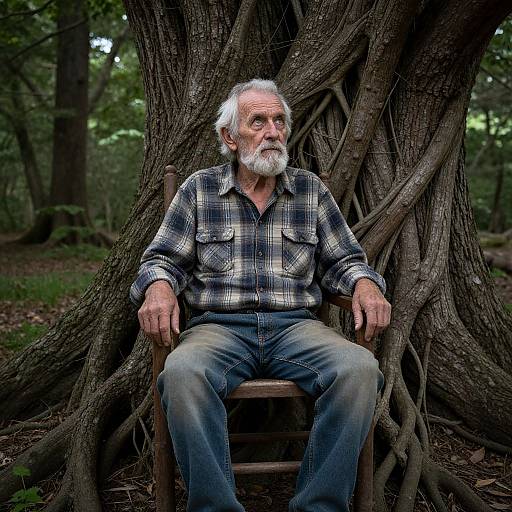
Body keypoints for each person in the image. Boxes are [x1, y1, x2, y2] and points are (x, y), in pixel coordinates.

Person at [130, 78, 391, 512]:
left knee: (359, 368)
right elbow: (160, 261)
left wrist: (365, 284)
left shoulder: (310, 190)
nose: (273, 131)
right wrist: (158, 287)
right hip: (218, 329)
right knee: (182, 374)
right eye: (258, 122)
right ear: (230, 137)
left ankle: (319, 506)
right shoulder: (198, 190)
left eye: (279, 121)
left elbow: (345, 261)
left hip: (296, 328)